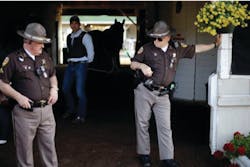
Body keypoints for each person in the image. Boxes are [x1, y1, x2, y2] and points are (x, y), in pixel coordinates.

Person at [130, 20, 221, 167]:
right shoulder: (146, 48)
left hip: (163, 94)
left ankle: (167, 158)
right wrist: (142, 65)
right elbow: (132, 63)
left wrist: (214, 45)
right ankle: (144, 155)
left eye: (159, 37)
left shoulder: (176, 49)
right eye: (154, 36)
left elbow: (196, 48)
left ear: (167, 37)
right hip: (144, 91)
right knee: (142, 123)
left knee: (165, 126)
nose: (155, 40)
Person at [0, 22, 58, 167]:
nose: (43, 46)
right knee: (24, 151)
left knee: (49, 148)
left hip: (47, 111)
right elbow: (2, 83)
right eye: (40, 43)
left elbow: (52, 75)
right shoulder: (13, 59)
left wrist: (54, 89)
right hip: (25, 114)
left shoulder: (45, 57)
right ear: (28, 41)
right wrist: (18, 97)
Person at [62, 15, 94, 124]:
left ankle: (81, 115)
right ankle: (71, 109)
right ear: (70, 24)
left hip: (81, 64)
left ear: (79, 24)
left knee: (79, 91)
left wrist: (84, 62)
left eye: (76, 23)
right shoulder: (69, 37)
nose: (73, 25)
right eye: (72, 23)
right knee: (65, 88)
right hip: (71, 64)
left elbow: (91, 53)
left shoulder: (85, 36)